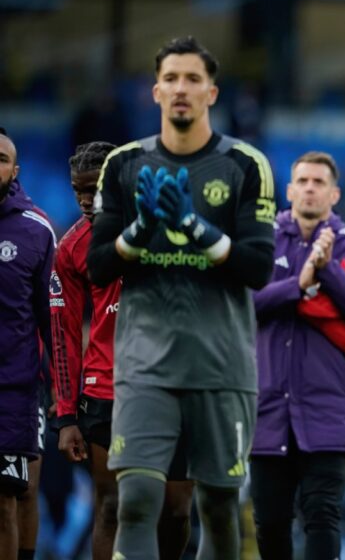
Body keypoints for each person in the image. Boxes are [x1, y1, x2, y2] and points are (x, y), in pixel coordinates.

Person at [86, 36, 276, 560]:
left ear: (212, 92)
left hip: (222, 367)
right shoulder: (124, 164)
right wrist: (139, 232)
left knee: (216, 505)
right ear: (155, 91)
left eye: (193, 79)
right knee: (137, 500)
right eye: (171, 79)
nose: (181, 89)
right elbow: (99, 267)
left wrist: (193, 227)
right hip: (146, 365)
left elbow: (258, 269)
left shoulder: (245, 164)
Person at [51, 141, 195, 560]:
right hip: (105, 390)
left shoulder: (170, 228)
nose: (84, 200)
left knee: (175, 511)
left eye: (92, 188)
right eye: (76, 190)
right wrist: (65, 416)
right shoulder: (72, 247)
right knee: (112, 508)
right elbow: (62, 334)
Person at [251, 151, 345, 560]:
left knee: (322, 517)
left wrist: (327, 271)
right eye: (303, 181)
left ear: (334, 194)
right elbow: (239, 302)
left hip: (327, 409)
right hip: (268, 407)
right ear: (289, 190)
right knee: (269, 522)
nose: (310, 188)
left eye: (319, 182)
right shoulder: (260, 240)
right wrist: (299, 285)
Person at [0, 127, 55, 560]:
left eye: (0, 158)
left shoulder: (36, 231)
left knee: (10, 497)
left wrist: (60, 390)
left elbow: (50, 316)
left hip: (12, 392)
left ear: (15, 171)